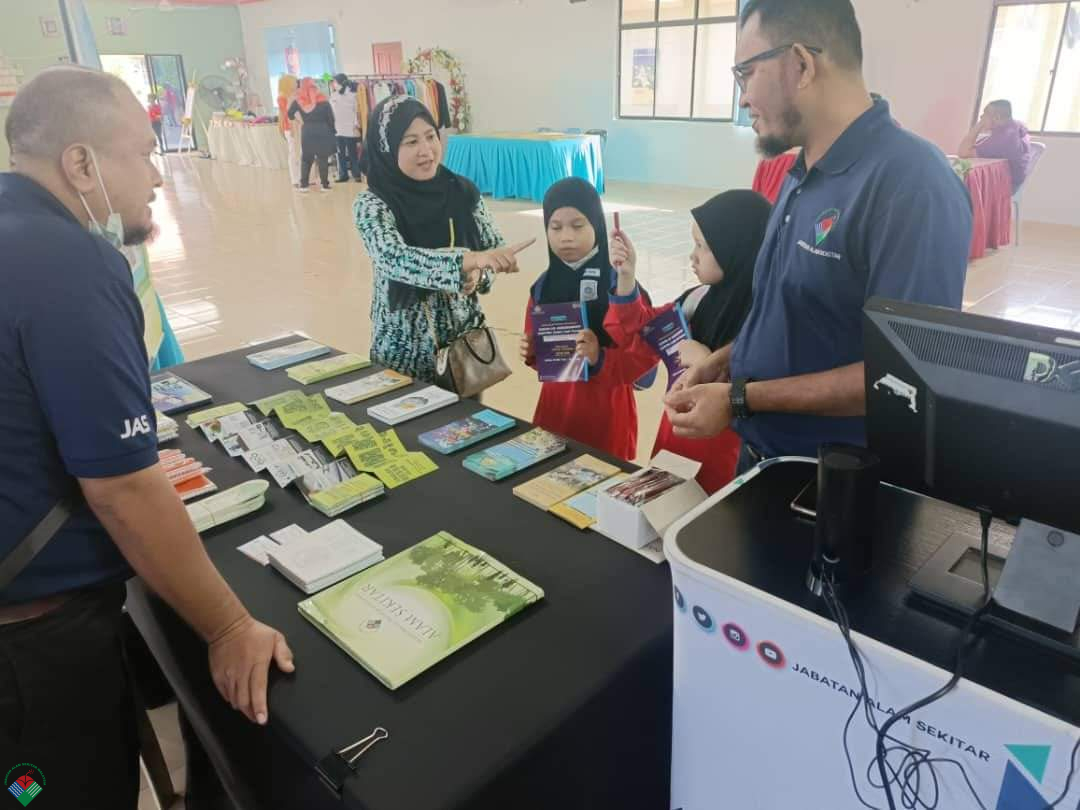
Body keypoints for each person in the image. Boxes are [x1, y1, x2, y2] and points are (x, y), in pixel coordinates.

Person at [0, 66, 294, 809]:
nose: (159, 177)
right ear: (81, 164)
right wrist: (227, 624)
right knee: (56, 791)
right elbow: (123, 486)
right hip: (33, 649)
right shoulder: (69, 262)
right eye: (143, 153)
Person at [665, 0, 973, 474]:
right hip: (764, 457)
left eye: (746, 73)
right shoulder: (800, 169)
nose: (743, 98)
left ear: (802, 64)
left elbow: (903, 373)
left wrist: (742, 398)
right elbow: (792, 313)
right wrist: (725, 361)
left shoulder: (912, 185)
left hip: (835, 483)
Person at [355, 96, 533, 382]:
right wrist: (468, 260)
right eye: (410, 142)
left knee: (465, 426)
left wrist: (480, 274)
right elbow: (393, 258)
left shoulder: (462, 191)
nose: (426, 150)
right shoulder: (373, 203)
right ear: (387, 148)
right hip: (403, 351)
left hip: (464, 352)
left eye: (430, 137)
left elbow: (492, 250)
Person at [605, 190, 772, 491]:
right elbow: (640, 332)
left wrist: (708, 361)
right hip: (674, 446)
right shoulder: (695, 301)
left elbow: (766, 394)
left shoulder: (766, 322)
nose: (692, 256)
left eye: (702, 246)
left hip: (727, 463)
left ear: (737, 249)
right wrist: (627, 276)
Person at [520, 178, 658, 461]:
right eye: (555, 227)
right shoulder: (543, 286)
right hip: (556, 409)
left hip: (606, 413)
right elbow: (543, 356)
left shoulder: (618, 283)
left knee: (601, 487)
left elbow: (642, 358)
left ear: (596, 223)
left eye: (578, 225)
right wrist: (532, 351)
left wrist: (599, 357)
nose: (565, 237)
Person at [958, 99, 1033, 192]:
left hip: (1005, 186)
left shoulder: (1002, 139)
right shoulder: (1015, 126)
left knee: (958, 178)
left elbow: (963, 152)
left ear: (997, 117)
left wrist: (978, 125)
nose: (981, 116)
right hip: (1015, 180)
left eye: (985, 114)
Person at [288, 77, 336, 193]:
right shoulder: (323, 99)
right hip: (322, 130)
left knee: (306, 159)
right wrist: (331, 130)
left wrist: (300, 120)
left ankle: (304, 185)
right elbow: (331, 118)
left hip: (307, 131)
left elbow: (289, 114)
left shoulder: (298, 100)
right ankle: (325, 185)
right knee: (322, 158)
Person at [330, 73, 363, 182]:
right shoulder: (333, 96)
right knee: (340, 154)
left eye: (335, 82)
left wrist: (356, 125)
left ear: (340, 82)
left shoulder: (353, 95)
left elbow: (356, 111)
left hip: (350, 129)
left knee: (352, 153)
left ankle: (356, 174)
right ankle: (343, 175)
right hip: (337, 130)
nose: (333, 84)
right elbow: (332, 113)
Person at [277, 74, 303, 189]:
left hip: (298, 126)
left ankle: (301, 177)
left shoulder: (293, 95)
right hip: (290, 127)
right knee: (293, 153)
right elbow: (287, 112)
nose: (295, 84)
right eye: (293, 82)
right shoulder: (282, 97)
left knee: (300, 152)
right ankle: (295, 179)